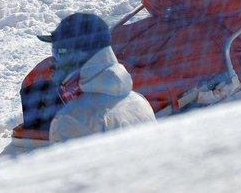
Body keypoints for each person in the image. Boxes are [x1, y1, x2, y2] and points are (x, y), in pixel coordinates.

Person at [19, 12, 155, 145]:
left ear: (81, 56)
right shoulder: (139, 101)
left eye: (58, 52)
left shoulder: (73, 119)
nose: (52, 62)